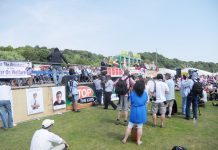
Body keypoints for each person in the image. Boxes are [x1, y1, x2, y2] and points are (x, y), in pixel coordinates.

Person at [122, 79, 148, 145]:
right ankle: (138, 141)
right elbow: (145, 101)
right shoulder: (145, 94)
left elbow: (130, 103)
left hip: (134, 110)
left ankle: (125, 139)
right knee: (140, 127)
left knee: (129, 126)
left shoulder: (132, 94)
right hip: (142, 111)